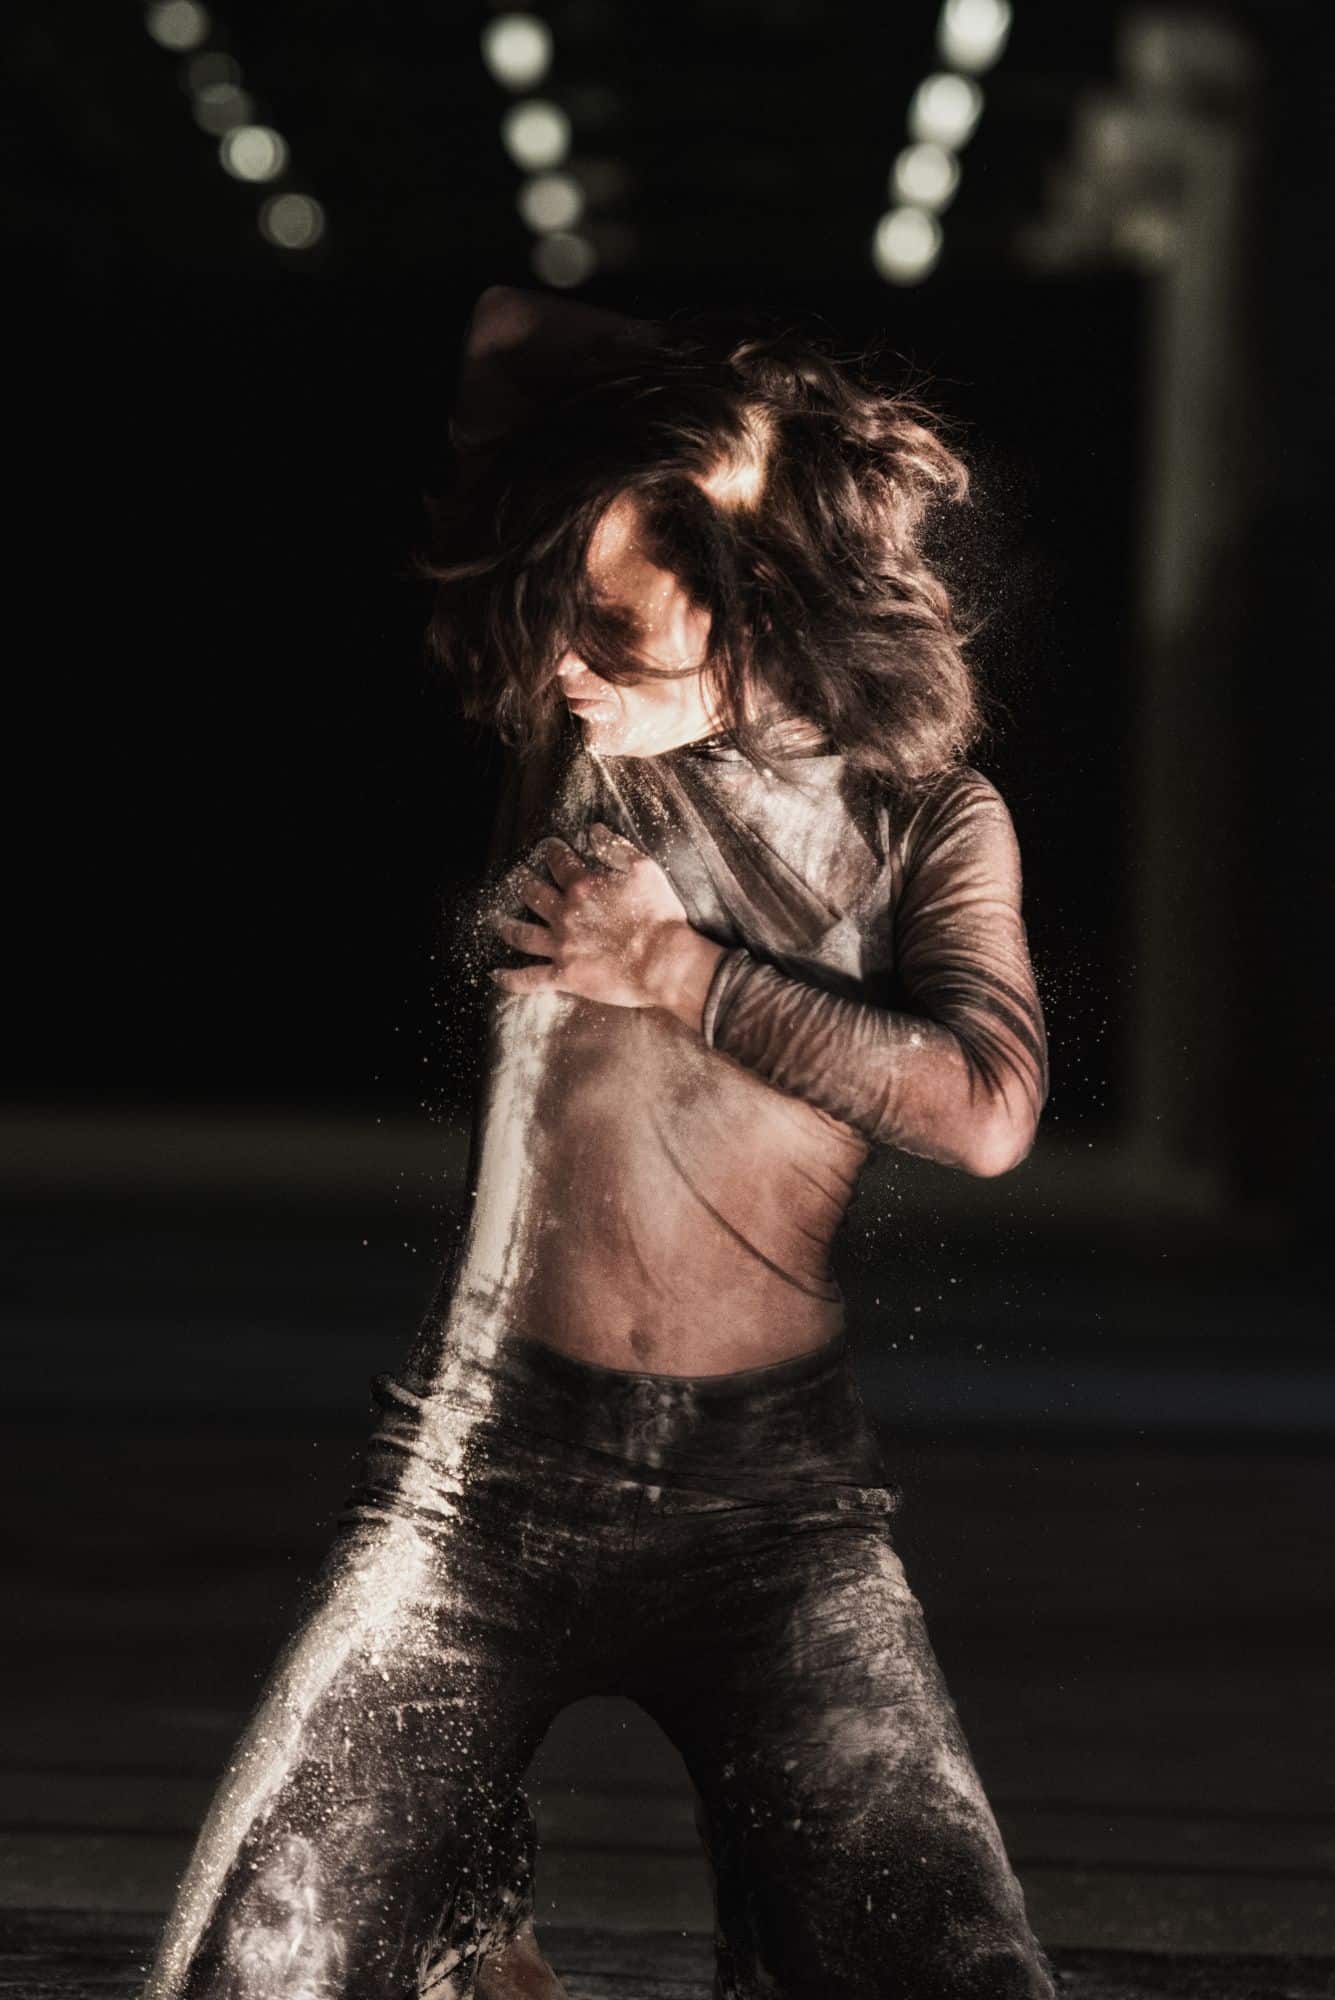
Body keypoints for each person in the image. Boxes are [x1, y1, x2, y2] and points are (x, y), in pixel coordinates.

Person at [141, 285, 1055, 2000]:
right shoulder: (584, 756)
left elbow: (988, 1107)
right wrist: (718, 439)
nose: (565, 663)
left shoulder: (928, 817)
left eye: (614, 625)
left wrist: (679, 969)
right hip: (480, 1485)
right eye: (560, 615)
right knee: (243, 1982)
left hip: (780, 1518)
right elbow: (507, 337)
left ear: (754, 594)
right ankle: (462, 1887)